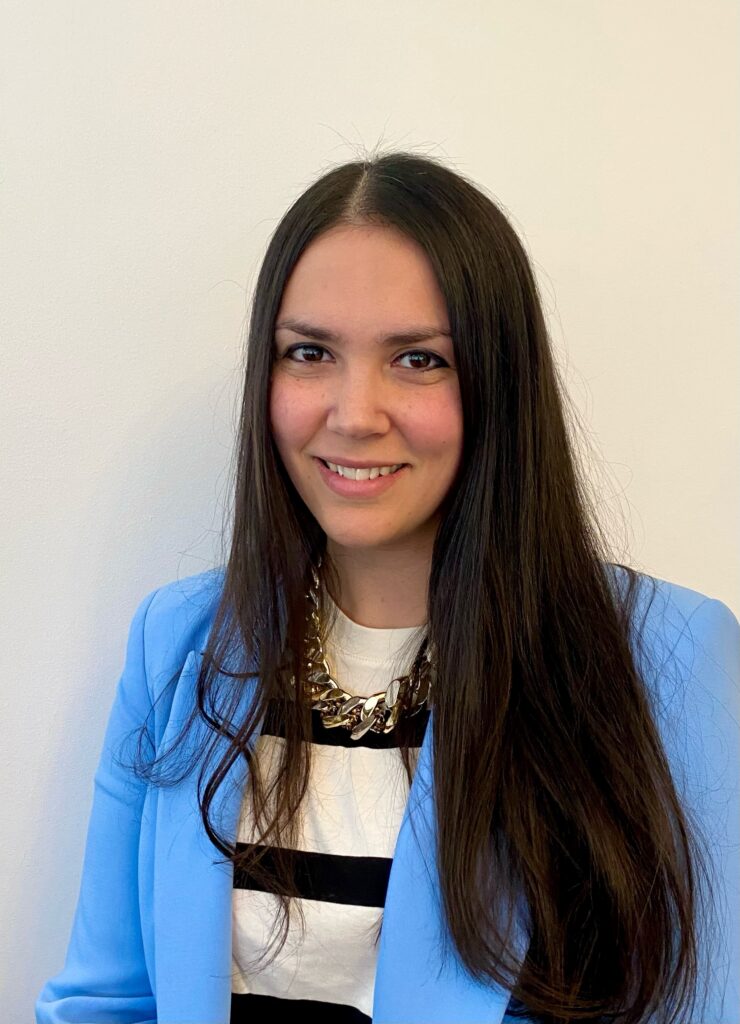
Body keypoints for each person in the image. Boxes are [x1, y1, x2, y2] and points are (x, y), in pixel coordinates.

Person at [36, 151, 739, 1024]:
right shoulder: (179, 644)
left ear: (499, 381)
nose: (355, 411)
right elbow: (106, 1002)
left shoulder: (663, 656)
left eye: (416, 359)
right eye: (310, 352)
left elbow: (701, 1005)